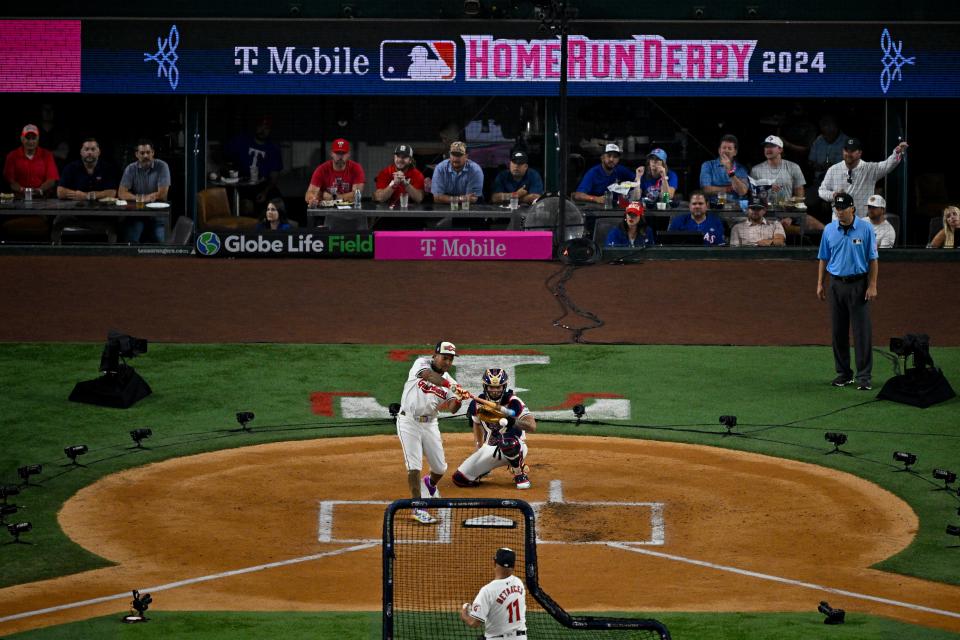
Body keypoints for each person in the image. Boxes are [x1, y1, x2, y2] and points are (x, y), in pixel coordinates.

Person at [817, 192, 879, 391]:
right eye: (837, 208)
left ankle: (864, 376)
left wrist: (873, 285)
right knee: (838, 332)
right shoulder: (829, 230)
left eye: (843, 208)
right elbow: (823, 258)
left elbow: (873, 259)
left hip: (858, 285)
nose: (839, 212)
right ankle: (844, 373)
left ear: (852, 208)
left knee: (862, 332)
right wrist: (820, 283)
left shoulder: (865, 228)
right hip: (836, 284)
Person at [397, 341, 464, 525]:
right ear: (435, 356)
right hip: (408, 421)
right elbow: (429, 377)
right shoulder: (421, 364)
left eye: (450, 359)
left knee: (440, 468)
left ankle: (430, 484)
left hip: (430, 424)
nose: (447, 362)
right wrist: (451, 387)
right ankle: (418, 507)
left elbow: (452, 408)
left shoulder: (451, 383)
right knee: (414, 466)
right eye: (445, 358)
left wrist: (459, 398)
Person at [452, 369, 537, 491]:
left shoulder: (513, 402)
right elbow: (476, 423)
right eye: (491, 387)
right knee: (459, 479)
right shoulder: (477, 404)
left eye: (499, 387)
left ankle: (519, 473)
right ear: (485, 386)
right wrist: (479, 446)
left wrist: (514, 422)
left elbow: (532, 426)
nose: (495, 390)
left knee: (507, 441)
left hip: (516, 446)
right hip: (491, 448)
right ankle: (483, 469)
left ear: (504, 386)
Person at [817, 137, 908, 219]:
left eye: (852, 150)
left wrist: (897, 152)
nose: (848, 153)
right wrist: (833, 195)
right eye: (846, 150)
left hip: (861, 221)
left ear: (860, 153)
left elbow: (887, 165)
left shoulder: (869, 169)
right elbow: (821, 191)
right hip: (838, 222)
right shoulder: (833, 169)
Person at [750, 135, 822, 230]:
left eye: (772, 146)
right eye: (766, 146)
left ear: (780, 149)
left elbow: (799, 196)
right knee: (781, 228)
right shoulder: (756, 170)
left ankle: (836, 241)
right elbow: (754, 197)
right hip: (766, 214)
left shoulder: (793, 167)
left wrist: (791, 216)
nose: (768, 149)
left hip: (789, 212)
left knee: (817, 225)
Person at [460, 547, 527, 639]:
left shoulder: (487, 591)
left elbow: (473, 623)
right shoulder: (519, 583)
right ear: (513, 566)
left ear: (494, 563)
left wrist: (464, 614)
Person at [224, 115, 283, 213]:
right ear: (255, 127)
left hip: (262, 184)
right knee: (246, 206)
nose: (262, 130)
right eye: (260, 126)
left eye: (266, 128)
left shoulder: (273, 149)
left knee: (279, 205)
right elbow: (222, 154)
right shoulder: (242, 141)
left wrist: (265, 192)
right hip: (242, 183)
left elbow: (274, 178)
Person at [118, 139, 171, 243]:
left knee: (163, 243)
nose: (146, 156)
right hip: (138, 213)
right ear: (137, 154)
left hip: (158, 213)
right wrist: (140, 198)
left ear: (153, 153)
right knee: (130, 240)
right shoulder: (130, 169)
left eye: (148, 152)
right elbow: (121, 193)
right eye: (142, 153)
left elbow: (163, 194)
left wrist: (143, 198)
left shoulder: (162, 166)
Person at [305, 138, 365, 207]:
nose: (340, 156)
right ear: (331, 153)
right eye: (337, 153)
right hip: (327, 211)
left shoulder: (356, 168)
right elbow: (310, 193)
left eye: (343, 153)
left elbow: (356, 196)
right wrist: (312, 199)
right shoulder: (322, 169)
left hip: (350, 211)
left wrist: (333, 197)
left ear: (349, 154)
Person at [3, 124, 59, 197]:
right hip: (19, 199)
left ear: (38, 139)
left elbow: (51, 179)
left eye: (34, 138)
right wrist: (23, 190)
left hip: (42, 199)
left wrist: (40, 190)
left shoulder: (47, 155)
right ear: (22, 139)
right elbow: (10, 181)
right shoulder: (12, 156)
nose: (31, 141)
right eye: (28, 138)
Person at [699, 134, 750, 205]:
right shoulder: (708, 165)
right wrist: (729, 188)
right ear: (719, 150)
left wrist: (729, 170)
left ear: (735, 152)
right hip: (714, 206)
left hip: (735, 207)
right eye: (724, 148)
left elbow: (742, 191)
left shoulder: (741, 169)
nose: (726, 150)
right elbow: (706, 189)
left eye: (729, 148)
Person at [430, 141, 484, 205]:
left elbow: (472, 199)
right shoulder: (440, 168)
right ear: (449, 155)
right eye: (453, 154)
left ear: (466, 156)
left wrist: (446, 198)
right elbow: (437, 198)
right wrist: (462, 199)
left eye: (459, 155)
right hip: (445, 207)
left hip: (469, 207)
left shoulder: (475, 170)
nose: (455, 158)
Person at [808, 115, 847, 184]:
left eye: (828, 124)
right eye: (823, 125)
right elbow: (810, 161)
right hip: (819, 182)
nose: (826, 136)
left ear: (836, 127)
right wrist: (819, 167)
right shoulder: (818, 140)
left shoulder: (847, 142)